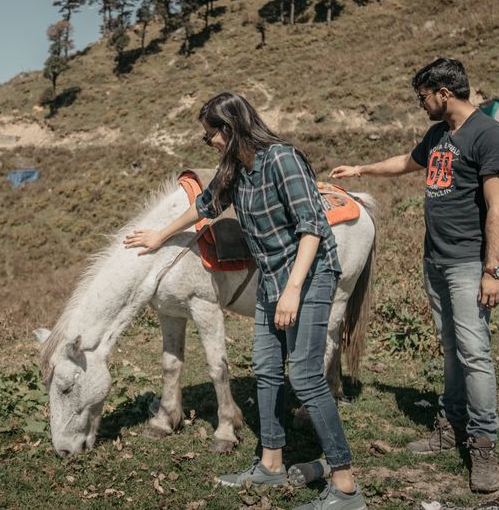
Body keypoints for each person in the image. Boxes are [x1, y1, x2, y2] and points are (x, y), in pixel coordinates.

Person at [124, 92, 367, 510]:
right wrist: (159, 236)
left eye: (210, 135)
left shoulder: (282, 159)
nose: (210, 143)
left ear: (230, 128)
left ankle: (345, 485)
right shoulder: (236, 170)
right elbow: (204, 206)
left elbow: (312, 226)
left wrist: (292, 291)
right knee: (267, 370)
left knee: (306, 376)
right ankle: (271, 463)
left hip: (309, 277)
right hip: (272, 281)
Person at [329, 57, 499, 493]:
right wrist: (359, 170)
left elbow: (498, 209)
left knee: (473, 352)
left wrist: (493, 270)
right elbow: (406, 163)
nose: (421, 104)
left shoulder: (490, 136)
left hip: (470, 264)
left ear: (444, 94)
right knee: (450, 347)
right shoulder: (439, 135)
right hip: (436, 260)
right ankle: (450, 425)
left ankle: (483, 444)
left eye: (423, 97)